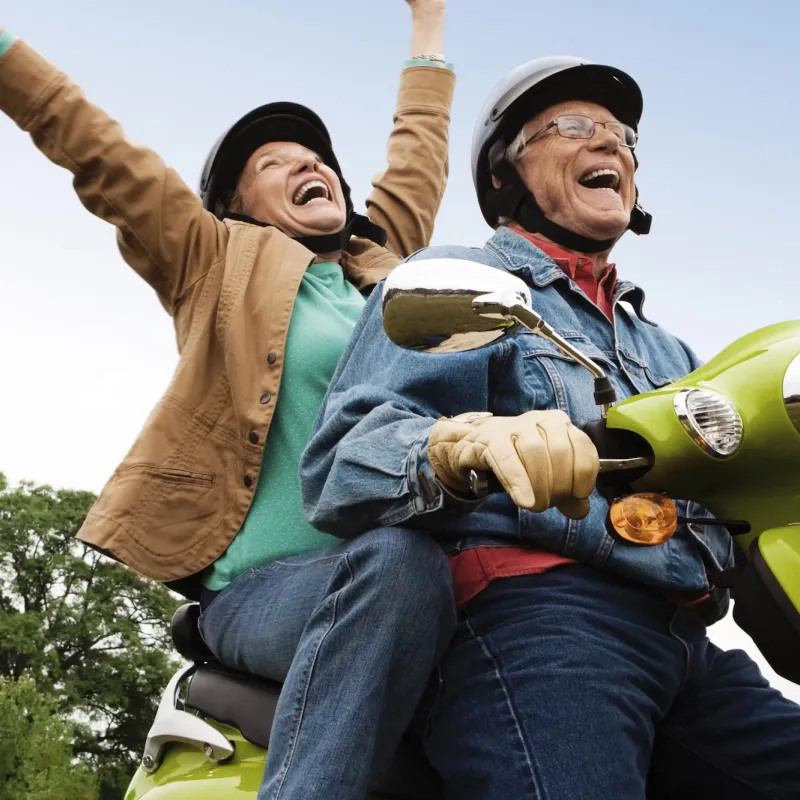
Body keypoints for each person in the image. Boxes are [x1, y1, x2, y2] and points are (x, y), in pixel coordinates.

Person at [301, 56, 800, 798]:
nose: (610, 146)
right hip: (540, 622)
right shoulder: (461, 282)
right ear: (505, 175)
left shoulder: (671, 353)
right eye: (573, 127)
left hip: (691, 645)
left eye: (621, 136)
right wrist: (459, 444)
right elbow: (345, 461)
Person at [0, 4, 457, 798]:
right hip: (269, 587)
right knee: (397, 562)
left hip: (413, 575)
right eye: (277, 162)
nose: (309, 163)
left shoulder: (387, 274)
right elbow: (90, 142)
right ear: (239, 208)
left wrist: (430, 23)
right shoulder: (212, 261)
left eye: (317, 156)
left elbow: (417, 159)